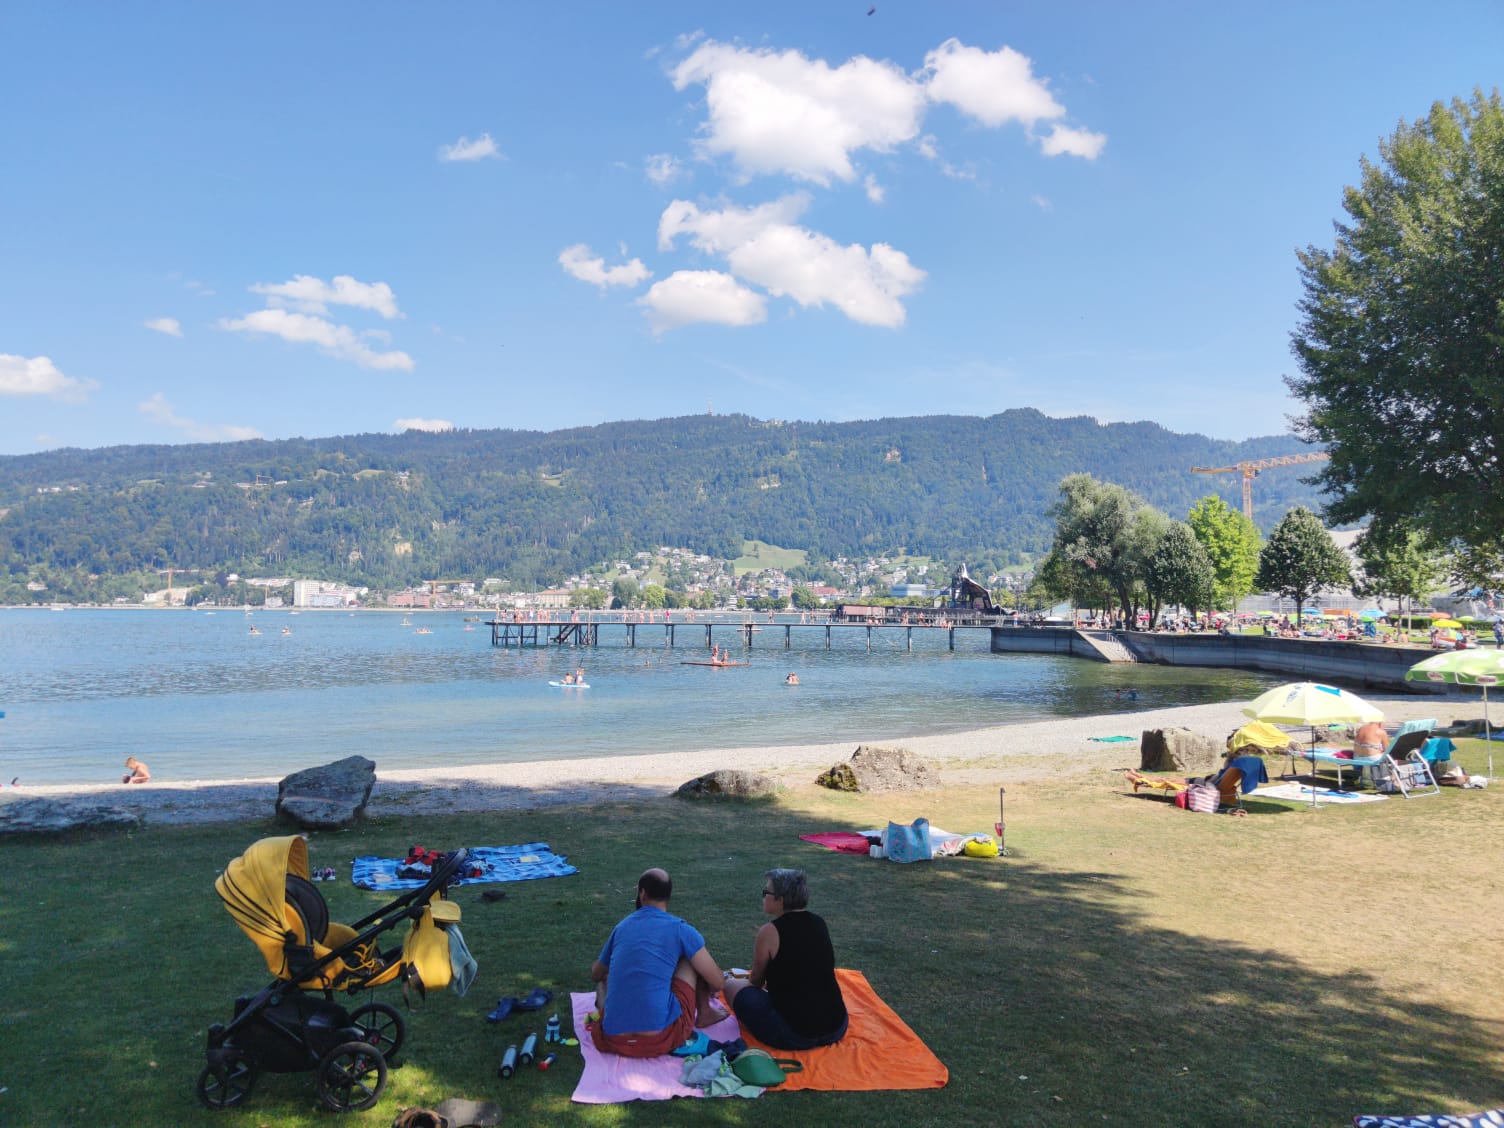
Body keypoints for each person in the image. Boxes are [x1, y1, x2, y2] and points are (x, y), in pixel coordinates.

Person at [589, 868, 725, 1058]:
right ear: (668, 896)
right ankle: (705, 1013)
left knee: (607, 977)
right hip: (661, 1038)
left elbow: (596, 973)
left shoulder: (622, 927)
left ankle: (609, 1006)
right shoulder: (680, 929)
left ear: (642, 893)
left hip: (614, 1039)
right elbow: (718, 982)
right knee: (690, 958)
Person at [722, 869, 848, 1049]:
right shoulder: (818, 922)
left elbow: (756, 981)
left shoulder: (770, 931)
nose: (763, 897)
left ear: (780, 900)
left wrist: (737, 981)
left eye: (766, 893)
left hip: (794, 1034)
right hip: (836, 1025)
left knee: (730, 985)